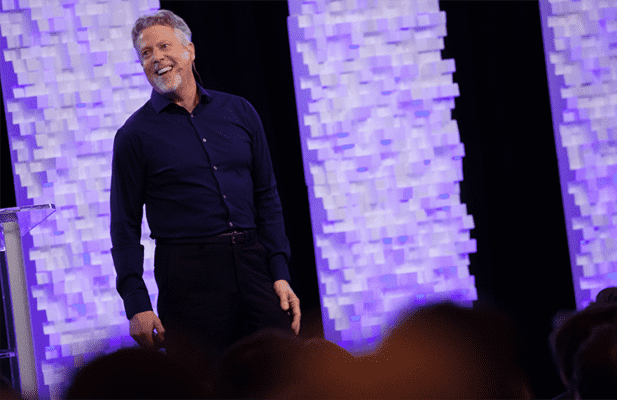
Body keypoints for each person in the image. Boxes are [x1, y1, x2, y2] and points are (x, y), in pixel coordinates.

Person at [109, 8, 300, 374]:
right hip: (188, 278)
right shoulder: (134, 135)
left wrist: (279, 271)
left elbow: (267, 196)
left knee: (281, 375)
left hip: (253, 265)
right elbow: (124, 225)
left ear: (190, 50)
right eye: (146, 53)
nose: (156, 58)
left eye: (164, 46)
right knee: (202, 381)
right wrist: (136, 303)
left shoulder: (240, 111)